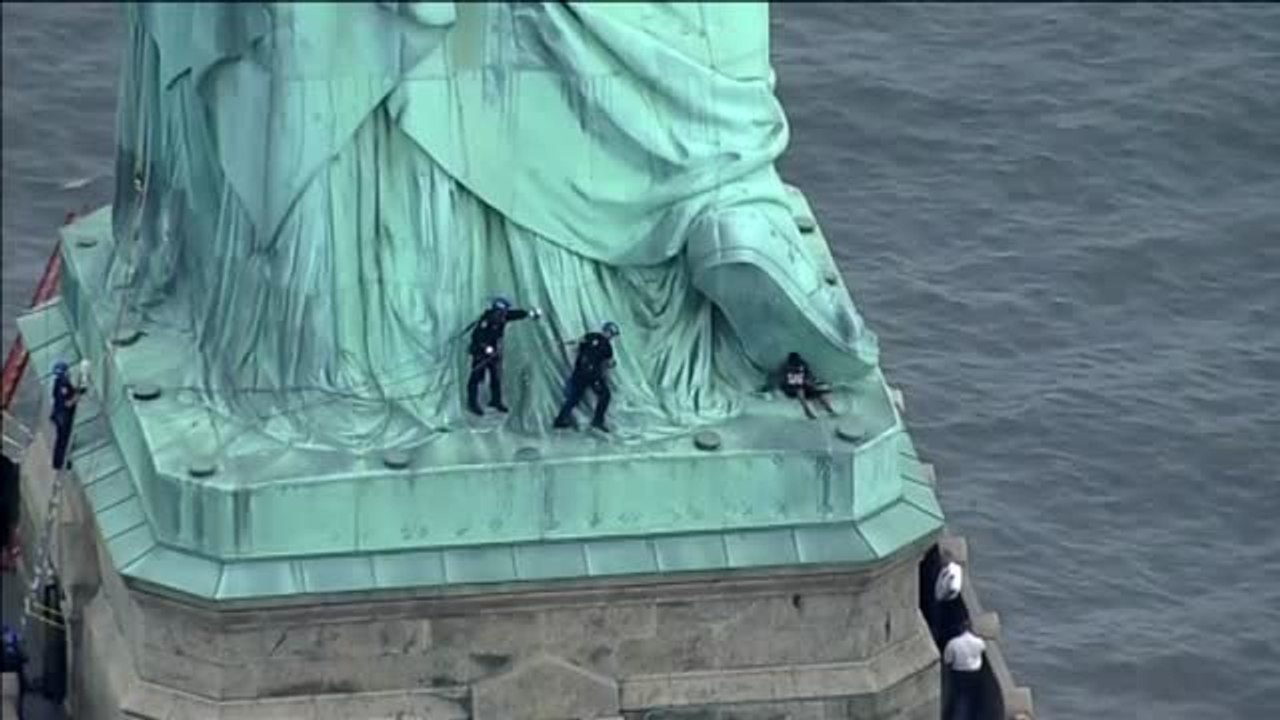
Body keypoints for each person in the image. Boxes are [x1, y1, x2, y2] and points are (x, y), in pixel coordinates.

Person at [466, 298, 541, 416]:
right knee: (476, 377)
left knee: (496, 376)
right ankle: (472, 403)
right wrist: (485, 348)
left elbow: (515, 314)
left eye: (505, 312)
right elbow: (477, 337)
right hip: (480, 353)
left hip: (494, 352)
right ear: (495, 311)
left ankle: (496, 401)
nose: (503, 315)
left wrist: (529, 314)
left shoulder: (503, 316)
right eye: (501, 312)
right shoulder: (485, 321)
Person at [554, 322, 620, 433]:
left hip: (587, 373)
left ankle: (562, 419)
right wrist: (565, 344)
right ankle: (595, 421)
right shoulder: (597, 339)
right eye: (611, 333)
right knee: (596, 396)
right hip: (587, 373)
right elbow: (578, 342)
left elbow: (607, 362)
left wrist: (611, 364)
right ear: (606, 331)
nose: (611, 336)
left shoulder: (602, 343)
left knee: (579, 396)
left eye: (612, 334)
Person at [765, 352, 837, 419]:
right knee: (800, 390)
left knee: (817, 392)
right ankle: (807, 412)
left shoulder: (803, 365)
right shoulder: (784, 367)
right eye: (794, 362)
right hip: (790, 391)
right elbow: (777, 378)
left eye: (797, 361)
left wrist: (812, 384)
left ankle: (830, 410)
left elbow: (810, 376)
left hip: (803, 388)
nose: (795, 364)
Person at [942, 618, 987, 720]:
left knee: (961, 698)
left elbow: (947, 660)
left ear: (960, 629)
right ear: (971, 628)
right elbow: (983, 649)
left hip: (959, 674)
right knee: (971, 698)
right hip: (975, 674)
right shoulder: (979, 642)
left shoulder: (953, 643)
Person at [49, 361, 85, 471]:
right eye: (67, 371)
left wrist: (77, 392)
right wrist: (78, 396)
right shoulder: (62, 385)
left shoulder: (60, 383)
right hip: (62, 416)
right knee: (63, 440)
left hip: (60, 415)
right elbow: (67, 403)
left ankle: (60, 462)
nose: (69, 373)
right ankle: (60, 462)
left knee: (62, 440)